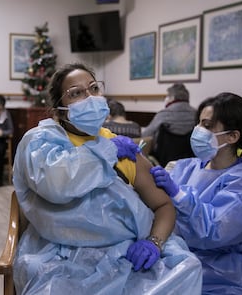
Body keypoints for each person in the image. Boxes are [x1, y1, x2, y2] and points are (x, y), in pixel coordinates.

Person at [11, 63, 202, 294]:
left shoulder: (124, 150)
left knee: (187, 268)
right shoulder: (43, 143)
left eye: (93, 88)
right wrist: (106, 151)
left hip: (125, 253)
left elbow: (163, 206)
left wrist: (154, 242)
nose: (89, 97)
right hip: (61, 253)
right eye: (76, 93)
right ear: (59, 109)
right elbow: (57, 183)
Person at [150, 92, 242, 294]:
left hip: (228, 274)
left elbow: (214, 232)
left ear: (233, 136)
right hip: (180, 258)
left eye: (207, 126)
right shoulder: (185, 167)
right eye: (199, 123)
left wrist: (178, 195)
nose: (198, 131)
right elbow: (155, 206)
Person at [141, 83, 196, 152]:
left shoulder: (163, 114)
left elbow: (145, 135)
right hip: (190, 156)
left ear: (172, 97)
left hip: (164, 157)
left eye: (167, 96)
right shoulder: (196, 113)